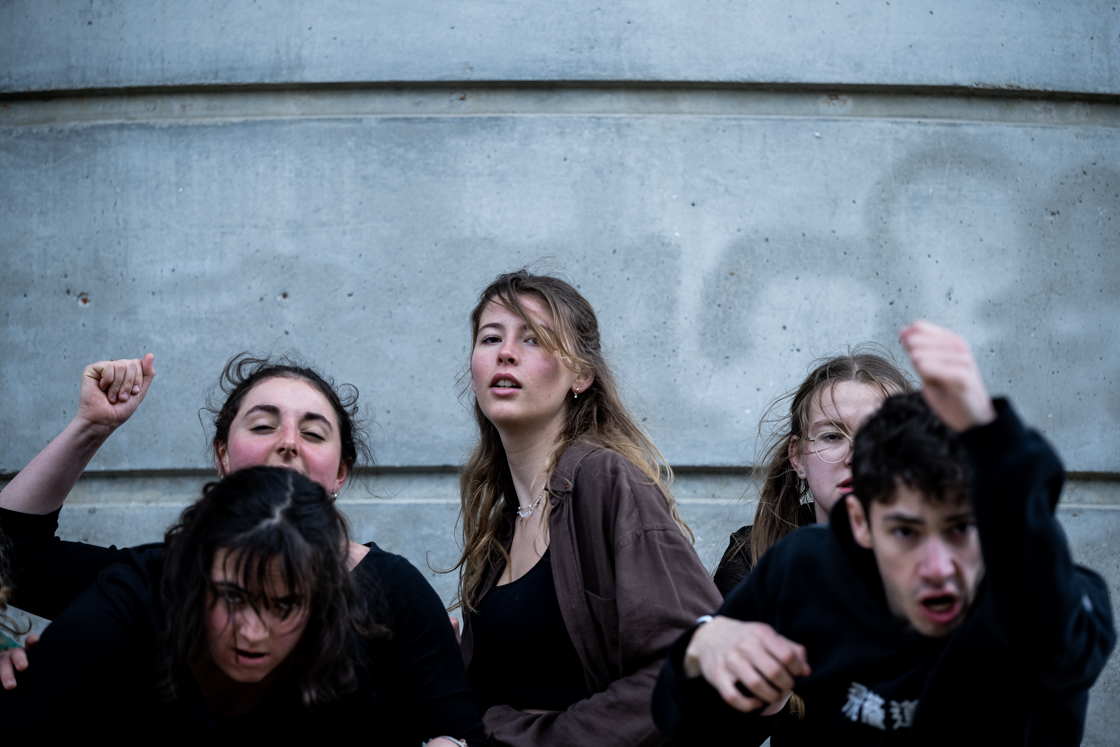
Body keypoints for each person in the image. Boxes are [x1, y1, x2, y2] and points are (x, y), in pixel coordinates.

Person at [652, 321, 1116, 745]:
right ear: (861, 523)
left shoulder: (1043, 599)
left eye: (959, 528)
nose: (937, 567)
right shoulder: (797, 567)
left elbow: (1059, 640)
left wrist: (991, 433)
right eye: (905, 533)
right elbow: (694, 725)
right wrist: (701, 650)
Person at [0, 354, 484, 747]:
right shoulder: (146, 583)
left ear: (341, 472)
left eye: (313, 433)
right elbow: (13, 559)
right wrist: (90, 426)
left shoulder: (393, 593)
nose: (288, 443)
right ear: (222, 456)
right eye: (262, 426)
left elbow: (460, 734)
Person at [450, 269, 722, 746]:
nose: (505, 353)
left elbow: (688, 668)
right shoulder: (502, 525)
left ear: (581, 374)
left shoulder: (606, 481)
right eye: (491, 338)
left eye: (533, 339)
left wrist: (532, 737)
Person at [0, 465, 390, 738]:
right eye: (233, 597)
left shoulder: (334, 651)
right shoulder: (122, 610)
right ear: (193, 574)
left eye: (285, 606)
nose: (252, 633)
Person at [713, 351, 913, 596]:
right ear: (798, 457)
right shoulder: (752, 561)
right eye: (832, 436)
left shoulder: (946, 558)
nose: (856, 458)